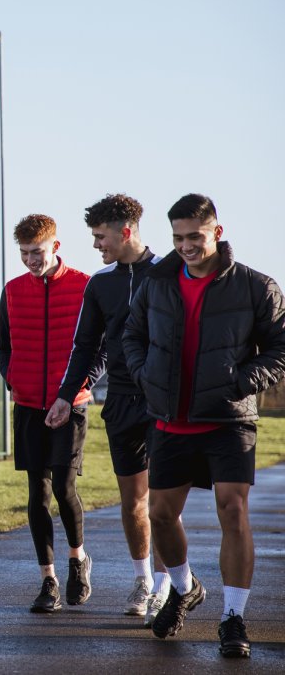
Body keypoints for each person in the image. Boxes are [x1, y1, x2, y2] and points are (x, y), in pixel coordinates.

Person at [122, 194, 285, 658]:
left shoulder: (255, 286)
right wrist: (143, 373)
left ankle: (233, 617)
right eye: (178, 237)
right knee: (159, 515)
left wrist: (245, 379)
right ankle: (185, 586)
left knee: (232, 510)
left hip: (229, 417)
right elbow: (132, 335)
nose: (187, 246)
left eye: (195, 236)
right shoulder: (156, 282)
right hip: (170, 416)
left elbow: (281, 345)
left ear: (217, 230)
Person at [57, 194, 167, 624]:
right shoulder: (100, 283)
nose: (96, 245)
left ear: (126, 232)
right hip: (121, 401)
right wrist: (67, 395)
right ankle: (142, 580)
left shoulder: (169, 274)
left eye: (100, 236)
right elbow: (85, 346)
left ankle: (166, 585)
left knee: (163, 503)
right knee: (133, 501)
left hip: (164, 399)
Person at [0, 213, 100, 614]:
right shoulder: (11, 290)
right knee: (37, 495)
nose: (30, 261)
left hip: (70, 405)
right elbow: (2, 347)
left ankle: (77, 561)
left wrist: (73, 389)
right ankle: (48, 580)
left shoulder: (84, 286)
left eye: (36, 252)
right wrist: (14, 381)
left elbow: (99, 350)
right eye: (24, 254)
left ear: (55, 246)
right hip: (28, 406)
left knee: (63, 489)